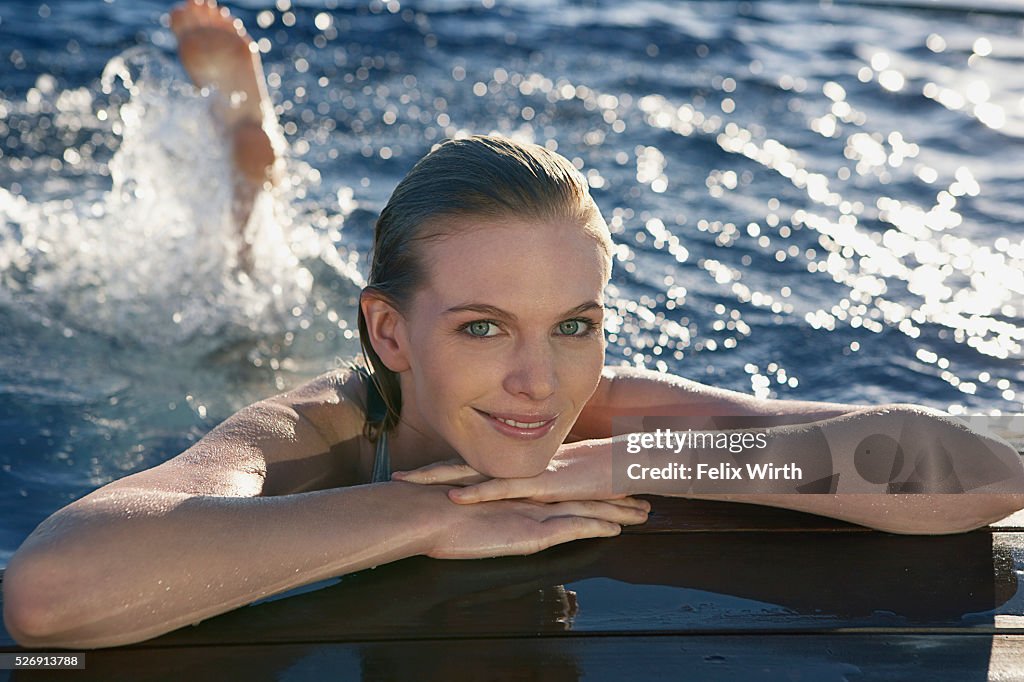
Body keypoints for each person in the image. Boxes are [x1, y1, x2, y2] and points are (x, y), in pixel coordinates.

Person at [4, 0, 1023, 650]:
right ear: (392, 335)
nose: (543, 382)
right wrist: (430, 511)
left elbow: (980, 469)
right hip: (239, 384)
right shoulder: (309, 435)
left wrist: (612, 464)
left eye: (574, 324)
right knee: (237, 319)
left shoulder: (607, 414)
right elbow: (49, 596)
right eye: (485, 328)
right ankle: (247, 165)